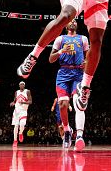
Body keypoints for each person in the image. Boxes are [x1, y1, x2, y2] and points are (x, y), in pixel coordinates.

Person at [49, 19, 88, 150]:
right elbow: (50, 59)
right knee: (63, 104)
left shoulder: (83, 39)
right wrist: (61, 51)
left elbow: (89, 58)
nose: (73, 22)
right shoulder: (60, 39)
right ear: (66, 25)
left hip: (78, 73)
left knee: (78, 104)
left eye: (75, 21)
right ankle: (67, 131)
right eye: (70, 21)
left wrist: (86, 63)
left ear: (77, 25)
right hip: (63, 73)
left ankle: (79, 136)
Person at [10, 82, 32, 147]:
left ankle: (20, 133)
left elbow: (30, 101)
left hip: (23, 111)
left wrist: (23, 102)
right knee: (16, 126)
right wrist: (13, 103)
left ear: (24, 85)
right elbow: (15, 100)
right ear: (19, 85)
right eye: (20, 84)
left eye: (23, 84)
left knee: (22, 124)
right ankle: (15, 141)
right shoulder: (16, 92)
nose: (22, 85)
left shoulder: (27, 91)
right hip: (16, 111)